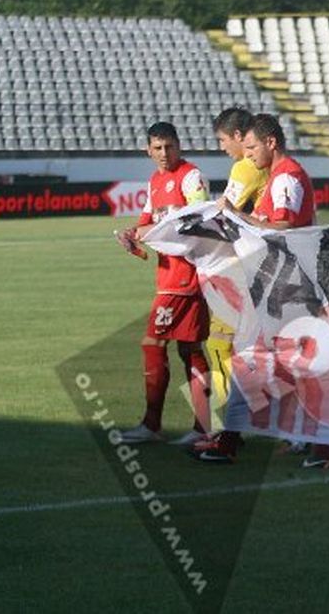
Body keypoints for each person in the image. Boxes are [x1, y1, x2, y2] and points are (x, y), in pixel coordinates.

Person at [201, 114, 318, 465]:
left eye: (252, 147)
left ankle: (233, 437)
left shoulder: (287, 177)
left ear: (271, 143)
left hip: (284, 284)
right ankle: (301, 433)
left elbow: (282, 226)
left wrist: (237, 215)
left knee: (250, 356)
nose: (247, 154)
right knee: (277, 360)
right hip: (277, 282)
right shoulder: (278, 177)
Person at [116, 122, 213, 446]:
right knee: (189, 348)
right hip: (169, 275)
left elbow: (200, 218)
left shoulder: (190, 176)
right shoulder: (155, 181)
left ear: (179, 145)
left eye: (169, 146)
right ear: (148, 150)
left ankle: (152, 425)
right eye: (157, 148)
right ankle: (203, 427)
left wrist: (154, 231)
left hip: (185, 275)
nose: (163, 153)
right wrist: (133, 234)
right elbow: (147, 222)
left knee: (153, 343)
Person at [205, 107, 268, 436]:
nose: (221, 147)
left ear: (241, 137)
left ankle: (230, 427)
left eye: (223, 140)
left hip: (239, 271)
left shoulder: (245, 168)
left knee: (220, 344)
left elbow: (223, 218)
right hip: (256, 268)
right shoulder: (256, 167)